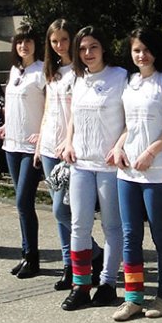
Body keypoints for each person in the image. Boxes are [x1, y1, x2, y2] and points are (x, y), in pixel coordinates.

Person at [108, 28, 162, 321]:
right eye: (136, 50)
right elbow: (128, 126)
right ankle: (133, 298)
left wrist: (151, 152)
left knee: (161, 235)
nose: (141, 55)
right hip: (128, 171)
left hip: (156, 171)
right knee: (130, 235)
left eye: (146, 49)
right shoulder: (130, 82)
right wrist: (118, 148)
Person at [59, 26, 127, 310]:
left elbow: (130, 118)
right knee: (79, 225)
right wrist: (68, 141)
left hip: (109, 166)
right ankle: (80, 284)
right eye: (83, 49)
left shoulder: (120, 76)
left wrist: (120, 144)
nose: (88, 53)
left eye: (93, 47)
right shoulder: (77, 78)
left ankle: (108, 283)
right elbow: (73, 116)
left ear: (104, 48)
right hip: (81, 164)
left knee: (112, 226)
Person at [34, 19, 103, 291]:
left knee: (64, 209)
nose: (60, 45)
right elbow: (49, 108)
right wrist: (40, 143)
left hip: (70, 149)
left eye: (64, 39)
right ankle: (70, 264)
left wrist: (70, 141)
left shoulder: (79, 71)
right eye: (54, 41)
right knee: (60, 211)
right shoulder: (51, 71)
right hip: (51, 146)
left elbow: (79, 113)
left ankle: (91, 254)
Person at [0, 25, 45, 278]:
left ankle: (33, 258)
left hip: (31, 147)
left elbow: (49, 109)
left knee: (23, 202)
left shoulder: (42, 72)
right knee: (21, 204)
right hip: (11, 145)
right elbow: (15, 106)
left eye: (27, 42)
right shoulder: (16, 70)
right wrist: (5, 126)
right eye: (19, 42)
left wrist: (43, 137)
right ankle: (26, 252)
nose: (23, 46)